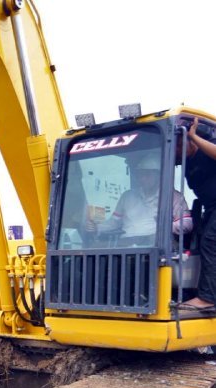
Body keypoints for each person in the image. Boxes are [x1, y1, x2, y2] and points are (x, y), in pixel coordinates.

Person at [84, 157, 192, 245]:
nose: (143, 178)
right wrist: (97, 227)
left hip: (157, 245)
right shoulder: (127, 196)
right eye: (140, 174)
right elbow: (114, 222)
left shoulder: (174, 197)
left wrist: (166, 226)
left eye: (147, 174)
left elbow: (187, 223)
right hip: (126, 244)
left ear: (159, 175)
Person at [180, 117, 216, 311]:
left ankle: (208, 298)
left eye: (179, 144)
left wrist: (193, 136)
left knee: (211, 241)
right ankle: (201, 292)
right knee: (202, 242)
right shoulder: (186, 163)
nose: (177, 150)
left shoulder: (207, 149)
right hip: (209, 208)